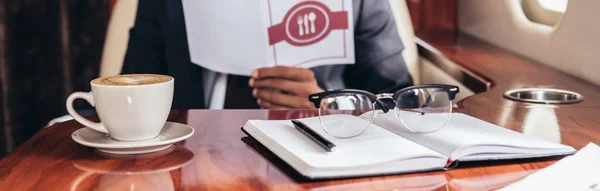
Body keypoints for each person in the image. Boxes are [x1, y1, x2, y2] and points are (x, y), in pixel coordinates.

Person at [122, 0, 413, 109]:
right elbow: (130, 94)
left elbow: (403, 101)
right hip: (195, 159)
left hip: (319, 159)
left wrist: (331, 108)